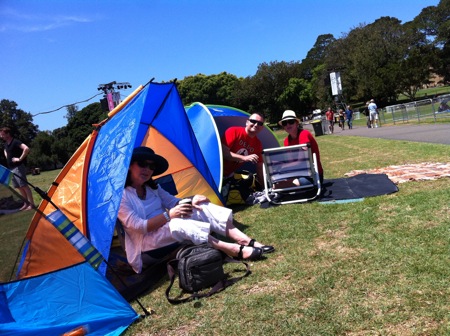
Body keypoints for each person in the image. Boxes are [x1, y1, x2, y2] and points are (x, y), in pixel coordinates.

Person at [117, 146, 275, 274]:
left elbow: (173, 202)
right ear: (130, 166)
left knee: (200, 206)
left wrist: (191, 200)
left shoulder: (152, 187)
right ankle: (231, 248)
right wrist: (168, 215)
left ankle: (244, 240)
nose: (148, 169)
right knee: (178, 223)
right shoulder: (122, 197)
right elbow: (138, 227)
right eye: (143, 164)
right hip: (146, 246)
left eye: (151, 166)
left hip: (166, 229)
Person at [221, 112, 265, 188]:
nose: (256, 125)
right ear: (247, 122)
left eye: (260, 123)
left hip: (229, 176)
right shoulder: (233, 131)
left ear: (262, 128)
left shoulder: (258, 144)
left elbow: (259, 168)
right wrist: (244, 158)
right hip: (214, 172)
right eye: (253, 121)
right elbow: (223, 153)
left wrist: (264, 187)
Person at [279, 110, 324, 184]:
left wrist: (282, 166)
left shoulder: (304, 134)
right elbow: (291, 162)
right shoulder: (286, 141)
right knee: (279, 181)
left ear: (296, 123)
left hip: (313, 175)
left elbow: (301, 162)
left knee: (290, 183)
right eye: (284, 123)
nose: (287, 125)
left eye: (290, 121)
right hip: (297, 173)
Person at [0, 127, 35, 210]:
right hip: (11, 168)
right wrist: (7, 155)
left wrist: (19, 159)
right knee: (19, 187)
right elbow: (5, 150)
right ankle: (26, 204)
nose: (1, 137)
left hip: (18, 167)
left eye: (2, 135)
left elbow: (26, 149)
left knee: (24, 186)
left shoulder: (15, 142)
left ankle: (32, 204)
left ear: (8, 134)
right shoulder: (6, 144)